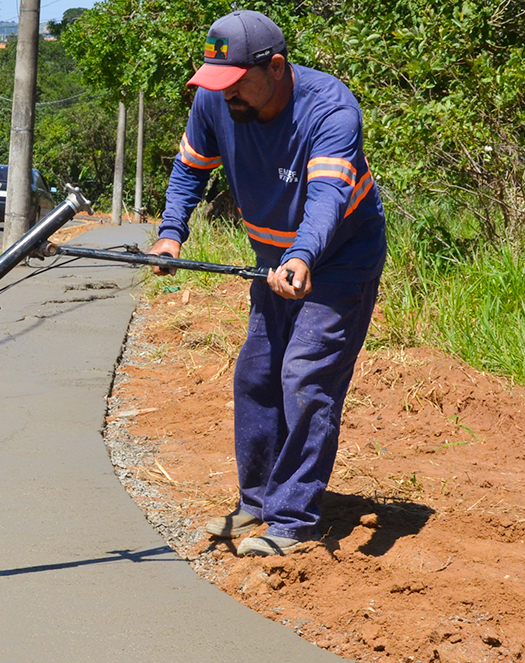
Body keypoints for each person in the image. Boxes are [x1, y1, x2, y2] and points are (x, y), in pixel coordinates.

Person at [149, 10, 386, 557]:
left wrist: (303, 255)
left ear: (275, 67)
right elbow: (190, 169)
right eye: (214, 83)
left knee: (305, 374)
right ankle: (257, 501)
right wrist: (170, 234)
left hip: (338, 258)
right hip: (274, 260)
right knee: (256, 374)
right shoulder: (215, 99)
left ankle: (294, 522)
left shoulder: (329, 109)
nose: (223, 97)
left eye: (234, 84)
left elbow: (327, 198)